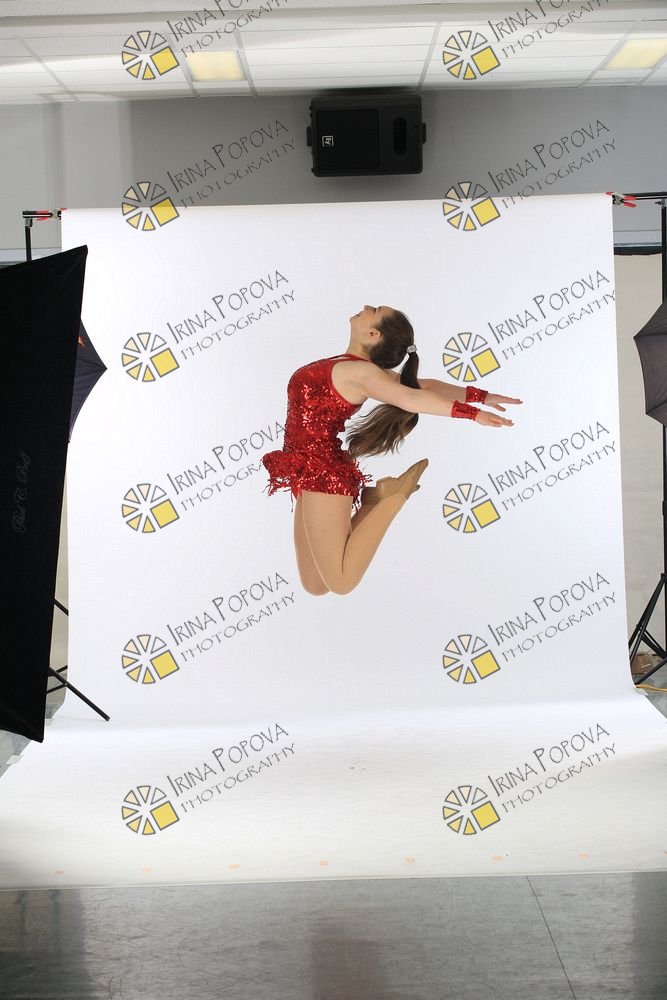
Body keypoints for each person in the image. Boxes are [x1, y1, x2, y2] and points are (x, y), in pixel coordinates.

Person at [262, 304, 522, 597]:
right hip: (304, 466)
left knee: (342, 583)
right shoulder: (353, 366)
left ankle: (392, 498)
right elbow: (424, 386)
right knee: (315, 584)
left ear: (374, 334)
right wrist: (480, 396)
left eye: (373, 310)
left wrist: (472, 413)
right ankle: (375, 501)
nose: (365, 307)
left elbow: (410, 398)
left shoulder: (362, 373)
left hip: (323, 472)